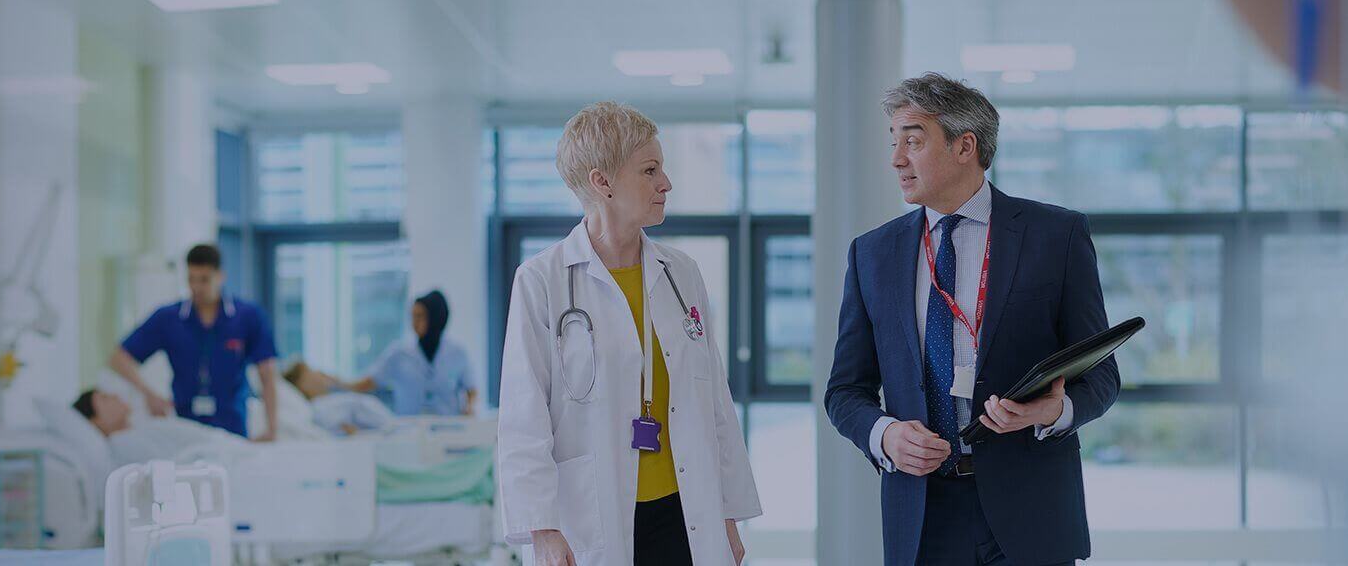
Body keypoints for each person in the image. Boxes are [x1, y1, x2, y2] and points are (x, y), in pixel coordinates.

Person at [823, 73, 1121, 566]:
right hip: (923, 514)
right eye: (894, 143)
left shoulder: (1057, 235)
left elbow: (1102, 375)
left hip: (1033, 510)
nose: (896, 158)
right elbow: (844, 391)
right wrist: (885, 435)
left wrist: (1053, 412)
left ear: (965, 146)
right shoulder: (872, 254)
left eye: (913, 141)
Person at [495, 101, 760, 566]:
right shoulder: (542, 280)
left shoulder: (681, 273)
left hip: (685, 511)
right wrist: (543, 529)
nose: (666, 183)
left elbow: (713, 400)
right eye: (650, 170)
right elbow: (523, 418)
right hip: (592, 516)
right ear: (603, 182)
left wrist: (729, 514)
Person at [109, 244, 281, 442]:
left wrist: (272, 429)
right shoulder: (168, 318)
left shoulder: (248, 316)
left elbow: (267, 375)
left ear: (221, 276)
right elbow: (119, 359)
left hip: (233, 428)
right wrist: (149, 395)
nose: (196, 288)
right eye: (191, 279)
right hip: (185, 428)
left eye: (204, 280)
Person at [350, 291, 478, 416]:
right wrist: (341, 385)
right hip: (410, 428)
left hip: (448, 428)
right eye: (412, 316)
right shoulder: (398, 353)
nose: (414, 323)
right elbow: (370, 381)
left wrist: (469, 408)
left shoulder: (458, 353)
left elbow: (471, 388)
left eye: (419, 316)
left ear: (435, 318)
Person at [72, 389, 243, 466]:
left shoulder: (137, 429)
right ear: (96, 421)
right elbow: (173, 466)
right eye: (105, 398)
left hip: (226, 447)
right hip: (223, 458)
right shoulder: (122, 443)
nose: (115, 396)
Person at [284, 361, 395, 436]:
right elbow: (338, 430)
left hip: (389, 428)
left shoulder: (329, 400)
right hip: (386, 433)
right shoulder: (319, 407)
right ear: (303, 385)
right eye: (311, 372)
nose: (318, 373)